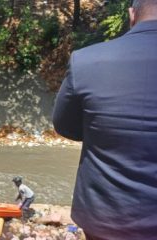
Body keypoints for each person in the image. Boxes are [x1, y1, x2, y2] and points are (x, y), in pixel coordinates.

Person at [53, 0, 157, 239]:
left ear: (132, 15)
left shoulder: (87, 60)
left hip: (107, 218)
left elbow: (65, 126)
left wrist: (100, 129)